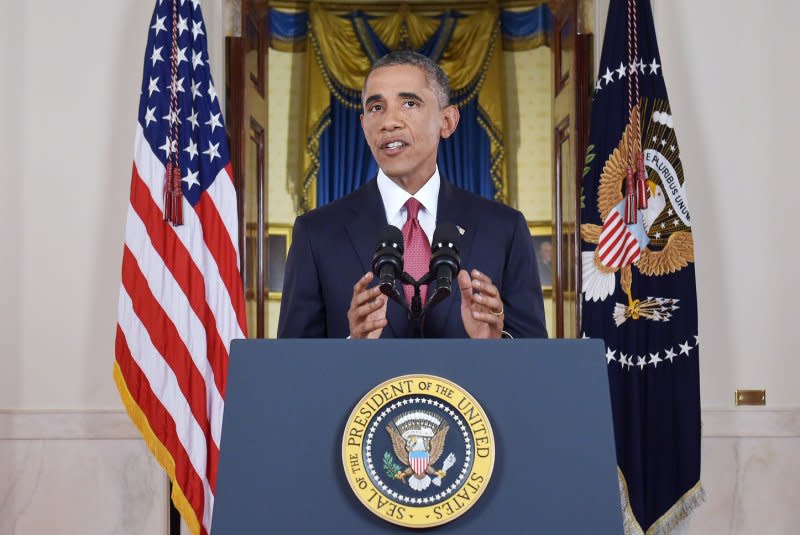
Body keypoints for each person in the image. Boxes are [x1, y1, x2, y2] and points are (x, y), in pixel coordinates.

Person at [278, 51, 546, 339]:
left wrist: (496, 344)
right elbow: (293, 369)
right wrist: (350, 348)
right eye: (376, 107)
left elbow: (535, 363)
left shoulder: (504, 228)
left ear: (447, 121)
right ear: (363, 125)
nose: (389, 121)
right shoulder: (316, 233)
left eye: (409, 103)